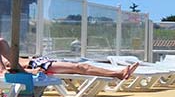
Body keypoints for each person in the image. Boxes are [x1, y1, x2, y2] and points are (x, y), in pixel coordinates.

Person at [0, 36, 137, 80]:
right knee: (80, 67)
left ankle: (118, 73)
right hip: (37, 66)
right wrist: (30, 72)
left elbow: (13, 62)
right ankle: (118, 73)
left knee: (80, 66)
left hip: (37, 61)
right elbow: (5, 72)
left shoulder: (2, 43)